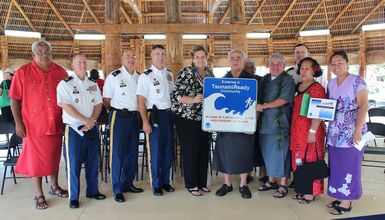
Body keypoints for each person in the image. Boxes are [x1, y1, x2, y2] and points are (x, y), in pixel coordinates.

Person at [9, 40, 68, 210]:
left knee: (54, 156)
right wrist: (18, 123)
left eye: (47, 51)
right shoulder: (23, 72)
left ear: (51, 53)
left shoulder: (60, 71)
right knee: (35, 161)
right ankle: (39, 194)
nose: (44, 55)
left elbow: (69, 97)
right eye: (40, 52)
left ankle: (55, 186)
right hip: (33, 126)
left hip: (56, 123)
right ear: (33, 55)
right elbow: (14, 99)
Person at [57, 54, 105, 209]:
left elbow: (98, 104)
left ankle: (93, 191)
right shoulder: (65, 84)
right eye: (79, 63)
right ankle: (74, 197)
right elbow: (66, 105)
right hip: (74, 129)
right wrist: (85, 120)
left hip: (91, 127)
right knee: (74, 164)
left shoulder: (92, 83)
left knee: (93, 162)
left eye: (84, 62)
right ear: (72, 65)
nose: (82, 65)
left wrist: (92, 120)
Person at [326, 51, 368, 215]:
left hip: (352, 131)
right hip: (335, 132)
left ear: (347, 64)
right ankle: (339, 194)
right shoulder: (330, 83)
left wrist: (357, 130)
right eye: (333, 64)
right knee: (336, 165)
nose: (336, 66)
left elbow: (363, 106)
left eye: (340, 63)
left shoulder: (357, 81)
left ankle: (347, 201)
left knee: (350, 164)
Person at [172, 45, 213, 196]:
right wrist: (193, 99)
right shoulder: (186, 72)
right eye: (197, 57)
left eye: (203, 57)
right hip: (187, 118)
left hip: (205, 118)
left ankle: (202, 183)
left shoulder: (209, 73)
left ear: (207, 58)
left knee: (204, 150)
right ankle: (191, 184)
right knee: (191, 150)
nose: (201, 59)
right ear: (193, 58)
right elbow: (176, 95)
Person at [213, 49, 255, 199]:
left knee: (244, 153)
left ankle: (243, 184)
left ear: (243, 61)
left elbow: (256, 105)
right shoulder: (222, 81)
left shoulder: (252, 80)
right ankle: (227, 184)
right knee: (225, 153)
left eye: (238, 58)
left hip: (244, 125)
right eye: (232, 58)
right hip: (226, 124)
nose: (235, 61)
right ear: (228, 61)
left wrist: (252, 125)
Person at [103, 49, 143, 202]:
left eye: (133, 56)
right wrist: (116, 112)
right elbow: (106, 100)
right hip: (119, 117)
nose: (131, 59)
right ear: (122, 58)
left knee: (132, 153)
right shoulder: (114, 76)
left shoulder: (140, 77)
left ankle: (128, 183)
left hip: (134, 118)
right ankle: (117, 188)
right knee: (117, 153)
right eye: (127, 56)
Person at [137, 45, 175, 196]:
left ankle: (166, 181)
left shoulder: (169, 74)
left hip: (168, 114)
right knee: (155, 151)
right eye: (157, 54)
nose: (160, 56)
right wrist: (145, 122)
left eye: (163, 54)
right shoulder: (145, 76)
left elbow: (173, 95)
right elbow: (141, 101)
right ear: (151, 56)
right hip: (154, 115)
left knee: (167, 150)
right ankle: (156, 183)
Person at [256, 53, 295, 199]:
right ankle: (271, 180)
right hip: (264, 123)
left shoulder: (287, 80)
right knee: (268, 152)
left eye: (279, 63)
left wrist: (264, 106)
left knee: (281, 153)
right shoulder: (264, 80)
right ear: (268, 65)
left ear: (284, 66)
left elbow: (284, 99)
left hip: (279, 124)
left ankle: (283, 184)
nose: (275, 66)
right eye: (272, 63)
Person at [289, 57, 326, 204]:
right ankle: (302, 189)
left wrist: (312, 131)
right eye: (302, 68)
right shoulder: (298, 86)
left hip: (311, 132)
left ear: (314, 70)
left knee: (311, 161)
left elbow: (319, 112)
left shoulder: (317, 88)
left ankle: (311, 192)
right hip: (297, 131)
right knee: (298, 161)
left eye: (307, 68)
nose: (303, 71)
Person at [243, 58, 268, 184]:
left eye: (251, 68)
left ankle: (263, 173)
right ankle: (246, 174)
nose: (249, 70)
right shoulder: (240, 80)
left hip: (260, 118)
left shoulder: (261, 80)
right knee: (247, 148)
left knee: (260, 146)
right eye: (246, 68)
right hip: (243, 120)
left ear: (255, 69)